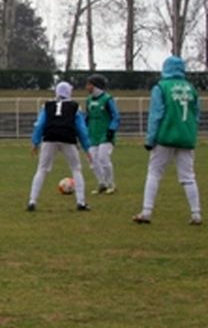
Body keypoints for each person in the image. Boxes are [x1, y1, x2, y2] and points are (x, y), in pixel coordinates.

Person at [133, 55, 201, 226]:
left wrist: (150, 139)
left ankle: (147, 211)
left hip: (165, 136)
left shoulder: (161, 87)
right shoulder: (191, 89)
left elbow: (156, 115)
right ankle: (196, 213)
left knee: (154, 173)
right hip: (186, 137)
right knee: (188, 177)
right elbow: (197, 115)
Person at [27, 81, 93, 212]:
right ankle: (81, 202)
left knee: (42, 169)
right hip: (68, 138)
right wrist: (87, 148)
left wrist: (35, 142)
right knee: (76, 169)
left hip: (49, 137)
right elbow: (81, 129)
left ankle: (32, 201)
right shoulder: (75, 107)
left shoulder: (47, 105)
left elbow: (40, 124)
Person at [85, 73, 121, 194]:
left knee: (103, 158)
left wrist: (111, 130)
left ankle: (111, 184)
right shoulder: (88, 100)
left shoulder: (107, 99)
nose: (86, 87)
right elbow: (87, 117)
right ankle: (102, 184)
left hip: (105, 134)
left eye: (89, 84)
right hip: (93, 134)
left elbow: (116, 116)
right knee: (92, 160)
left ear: (95, 86)